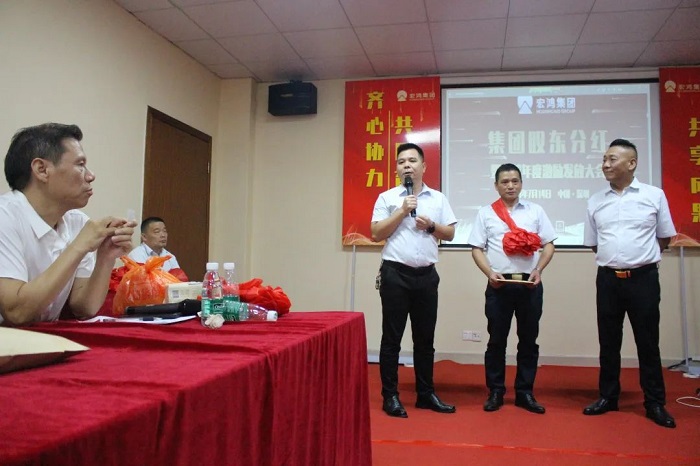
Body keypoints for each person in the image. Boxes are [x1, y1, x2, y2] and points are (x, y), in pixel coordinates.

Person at [0, 123, 136, 325]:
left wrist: (105, 258)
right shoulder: (5, 216)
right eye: (80, 165)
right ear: (42, 170)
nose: (90, 176)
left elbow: (84, 307)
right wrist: (79, 245)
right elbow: (16, 313)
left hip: (42, 338)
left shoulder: (77, 222)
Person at [582, 138, 677, 428]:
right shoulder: (595, 200)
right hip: (608, 279)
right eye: (604, 159)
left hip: (643, 280)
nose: (605, 165)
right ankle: (608, 397)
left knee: (647, 342)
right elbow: (595, 243)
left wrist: (639, 259)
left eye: (612, 159)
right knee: (608, 341)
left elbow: (665, 237)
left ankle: (654, 403)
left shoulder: (654, 196)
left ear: (632, 163)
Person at [371, 142, 458, 418]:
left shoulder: (438, 199)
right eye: (401, 162)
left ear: (423, 166)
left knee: (425, 339)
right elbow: (376, 233)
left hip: (426, 277)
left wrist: (431, 226)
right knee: (391, 339)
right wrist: (401, 211)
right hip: (395, 275)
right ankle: (390, 396)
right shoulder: (387, 198)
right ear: (397, 169)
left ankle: (425, 394)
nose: (406, 165)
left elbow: (450, 234)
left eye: (412, 160)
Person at [468, 163, 556, 414]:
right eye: (505, 182)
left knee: (528, 341)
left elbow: (549, 244)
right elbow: (476, 248)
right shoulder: (486, 213)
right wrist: (489, 273)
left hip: (529, 285)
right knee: (497, 341)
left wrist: (539, 269)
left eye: (515, 181)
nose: (510, 186)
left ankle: (525, 392)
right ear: (496, 185)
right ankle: (495, 391)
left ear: (521, 184)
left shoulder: (535, 211)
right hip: (499, 285)